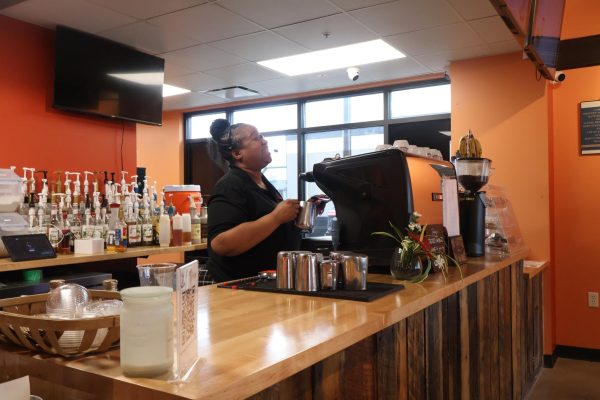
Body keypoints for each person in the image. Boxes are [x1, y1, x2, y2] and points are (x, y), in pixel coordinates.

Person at [206, 119, 301, 282]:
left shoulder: (262, 182)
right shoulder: (230, 186)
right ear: (237, 154)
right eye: (256, 138)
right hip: (240, 289)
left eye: (262, 136)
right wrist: (276, 217)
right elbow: (221, 243)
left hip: (267, 283)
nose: (264, 141)